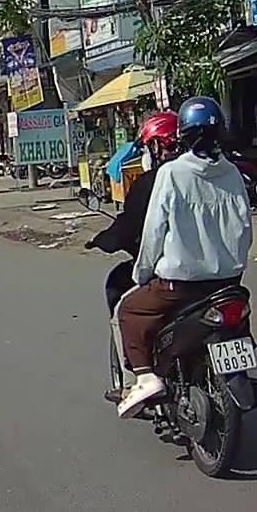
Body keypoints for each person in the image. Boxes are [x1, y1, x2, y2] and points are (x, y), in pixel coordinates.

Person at [114, 96, 253, 419]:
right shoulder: (232, 173)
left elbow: (154, 231)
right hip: (227, 284)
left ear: (183, 137)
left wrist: (142, 274)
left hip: (179, 286)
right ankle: (244, 371)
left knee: (128, 309)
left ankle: (145, 377)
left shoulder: (172, 173)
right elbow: (245, 228)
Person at [87, 110, 179, 404]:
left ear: (157, 146)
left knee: (124, 304)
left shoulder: (158, 181)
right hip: (226, 274)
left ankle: (136, 380)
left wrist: (108, 241)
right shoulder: (218, 175)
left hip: (177, 274)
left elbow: (142, 230)